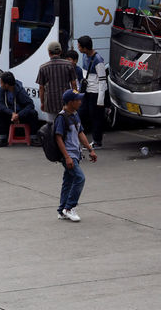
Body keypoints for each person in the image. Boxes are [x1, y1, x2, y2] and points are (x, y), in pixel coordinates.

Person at [55, 89, 97, 222]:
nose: (80, 102)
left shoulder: (75, 114)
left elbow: (81, 133)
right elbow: (58, 138)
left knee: (68, 181)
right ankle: (69, 208)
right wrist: (67, 157)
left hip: (75, 154)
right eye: (78, 99)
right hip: (68, 155)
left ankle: (62, 210)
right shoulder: (62, 118)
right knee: (80, 178)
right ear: (71, 102)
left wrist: (90, 149)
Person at [0, 71, 39, 147]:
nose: (0, 84)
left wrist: (19, 115)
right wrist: (12, 113)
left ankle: (33, 138)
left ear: (6, 84)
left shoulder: (20, 90)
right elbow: (0, 105)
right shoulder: (2, 90)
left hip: (21, 115)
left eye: (1, 82)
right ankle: (2, 139)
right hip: (10, 114)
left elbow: (30, 104)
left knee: (33, 113)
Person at [77, 35, 108, 149]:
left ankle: (97, 141)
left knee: (96, 117)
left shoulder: (98, 60)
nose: (78, 48)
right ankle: (83, 140)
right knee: (82, 113)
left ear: (85, 48)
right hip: (87, 91)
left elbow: (102, 80)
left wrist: (100, 99)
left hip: (95, 92)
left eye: (79, 46)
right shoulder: (85, 56)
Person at [36, 41, 78, 121]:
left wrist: (42, 102)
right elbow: (74, 84)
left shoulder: (43, 67)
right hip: (66, 102)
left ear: (49, 52)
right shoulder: (69, 65)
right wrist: (75, 99)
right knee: (66, 126)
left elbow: (41, 88)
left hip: (49, 103)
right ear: (60, 52)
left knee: (52, 126)